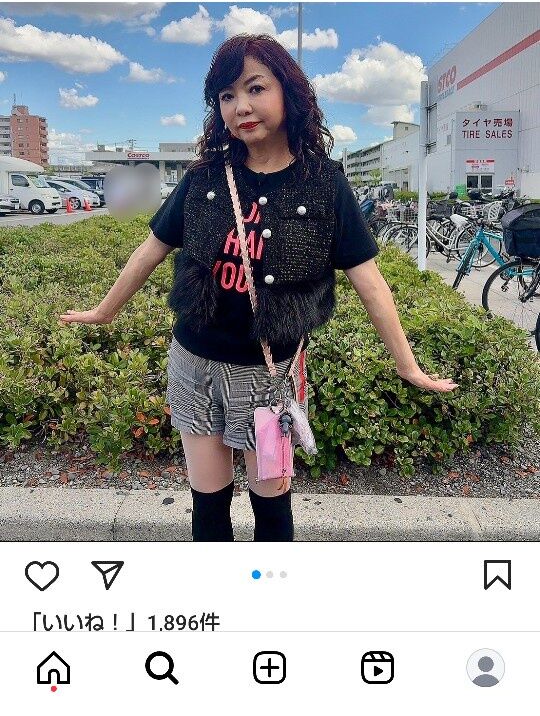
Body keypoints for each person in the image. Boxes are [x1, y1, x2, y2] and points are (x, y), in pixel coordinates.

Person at [59, 34, 458, 542]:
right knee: (208, 505)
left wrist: (407, 365)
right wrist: (103, 312)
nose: (241, 107)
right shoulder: (205, 177)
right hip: (194, 363)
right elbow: (151, 249)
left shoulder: (324, 183)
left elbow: (371, 283)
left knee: (272, 507)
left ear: (288, 92)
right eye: (226, 96)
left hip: (269, 378)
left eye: (255, 88)